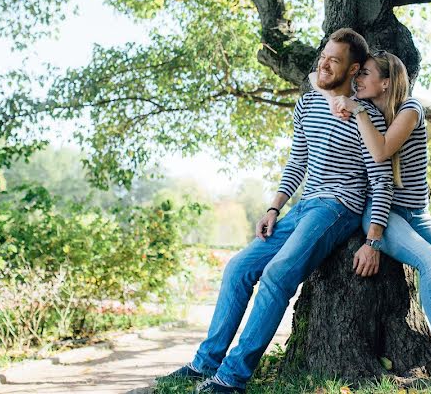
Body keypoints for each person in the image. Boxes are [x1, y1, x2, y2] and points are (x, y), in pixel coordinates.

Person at [162, 28, 394, 394]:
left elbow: (382, 181)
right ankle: (204, 363)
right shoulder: (308, 104)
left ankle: (231, 378)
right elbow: (297, 160)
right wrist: (274, 207)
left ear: (353, 70)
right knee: (239, 268)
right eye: (324, 57)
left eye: (335, 60)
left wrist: (374, 239)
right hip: (302, 207)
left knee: (278, 275)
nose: (324, 64)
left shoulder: (369, 117)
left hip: (337, 207)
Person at [313, 50, 431, 394]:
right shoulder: (366, 108)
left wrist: (354, 108)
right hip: (384, 214)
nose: (357, 80)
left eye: (366, 74)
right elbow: (317, 82)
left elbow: (382, 150)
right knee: (429, 262)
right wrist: (349, 103)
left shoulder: (411, 110)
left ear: (386, 82)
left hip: (419, 216)